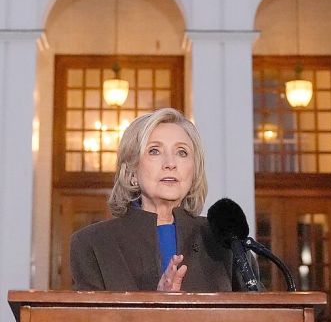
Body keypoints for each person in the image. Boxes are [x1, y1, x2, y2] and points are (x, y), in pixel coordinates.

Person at [70, 107, 239, 291]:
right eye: (154, 151)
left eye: (182, 152)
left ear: (194, 170)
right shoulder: (93, 243)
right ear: (132, 171)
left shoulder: (225, 238)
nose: (170, 164)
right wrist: (156, 302)